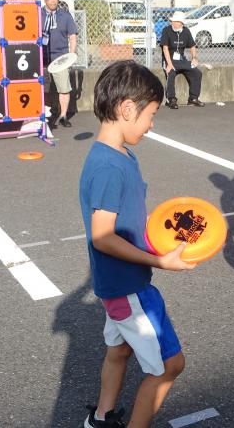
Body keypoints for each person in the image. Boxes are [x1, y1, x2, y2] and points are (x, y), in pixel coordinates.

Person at [79, 60, 197, 427]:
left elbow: (127, 221)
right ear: (127, 109)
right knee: (170, 365)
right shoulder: (109, 167)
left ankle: (100, 418)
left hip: (116, 287)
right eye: (151, 114)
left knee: (119, 351)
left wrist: (160, 236)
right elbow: (103, 236)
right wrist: (160, 262)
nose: (151, 125)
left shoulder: (119, 155)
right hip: (129, 288)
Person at [41, 0, 78, 128]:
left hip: (60, 57)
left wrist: (71, 55)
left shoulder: (65, 15)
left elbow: (73, 36)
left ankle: (63, 116)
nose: (53, 1)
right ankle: (47, 116)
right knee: (44, 88)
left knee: (63, 88)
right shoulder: (38, 14)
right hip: (42, 57)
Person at [160, 11, 204, 109]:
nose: (174, 23)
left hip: (181, 60)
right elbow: (165, 48)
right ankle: (171, 99)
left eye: (177, 22)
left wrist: (194, 58)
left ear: (182, 24)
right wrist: (169, 64)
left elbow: (192, 46)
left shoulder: (186, 31)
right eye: (173, 21)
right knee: (170, 72)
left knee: (197, 72)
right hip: (169, 60)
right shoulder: (166, 30)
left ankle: (193, 98)